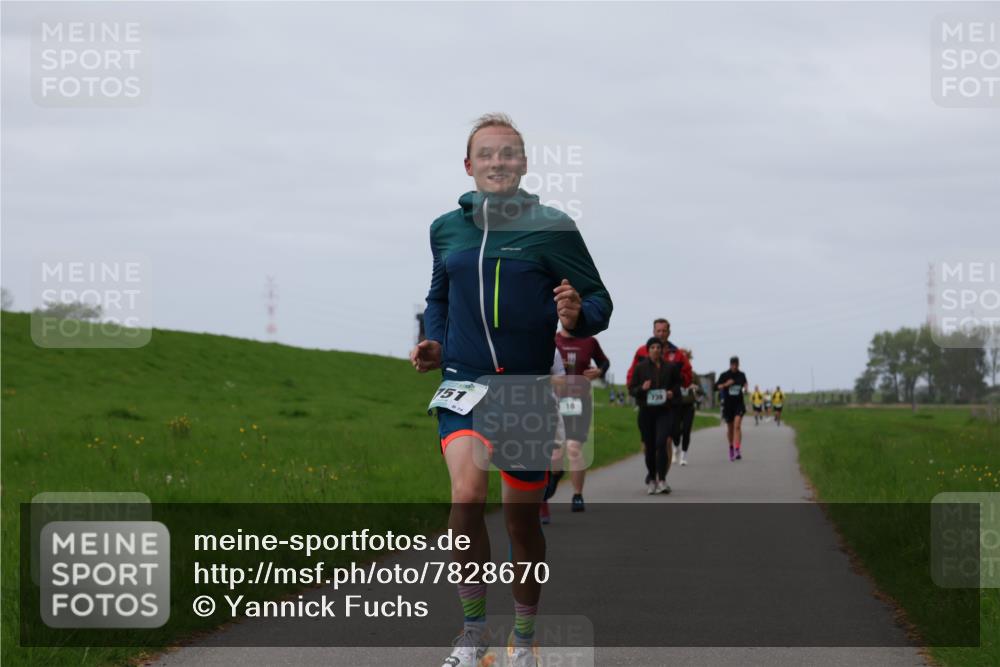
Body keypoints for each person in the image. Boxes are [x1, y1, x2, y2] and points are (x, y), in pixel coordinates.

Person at [411, 113, 612, 667]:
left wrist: (574, 318)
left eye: (509, 153)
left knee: (522, 522)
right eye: (487, 154)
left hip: (524, 391)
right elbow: (439, 299)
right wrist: (432, 342)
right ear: (469, 165)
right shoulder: (445, 229)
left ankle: (523, 638)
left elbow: (599, 302)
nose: (497, 162)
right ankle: (472, 633)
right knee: (466, 496)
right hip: (464, 385)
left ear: (523, 165)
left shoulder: (552, 227)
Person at [548, 329, 610, 512]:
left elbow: (604, 362)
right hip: (555, 402)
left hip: (579, 402)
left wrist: (599, 371)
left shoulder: (589, 341)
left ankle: (577, 495)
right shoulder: (553, 340)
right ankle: (556, 474)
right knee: (555, 453)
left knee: (574, 449)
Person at [626, 318, 692, 462]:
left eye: (664, 331)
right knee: (648, 442)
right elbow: (631, 377)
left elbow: (687, 377)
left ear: (669, 332)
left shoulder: (677, 354)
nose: (661, 334)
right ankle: (652, 470)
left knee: (665, 441)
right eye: (658, 331)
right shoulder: (642, 351)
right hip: (647, 405)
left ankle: (662, 476)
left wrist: (675, 381)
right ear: (653, 332)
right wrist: (637, 388)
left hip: (668, 406)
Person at [628, 338, 682, 494]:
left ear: (663, 350)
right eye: (653, 347)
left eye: (659, 347)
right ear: (648, 350)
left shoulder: (670, 368)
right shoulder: (640, 368)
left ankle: (662, 480)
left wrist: (672, 392)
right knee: (650, 447)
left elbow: (678, 386)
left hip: (664, 411)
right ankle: (652, 479)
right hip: (647, 411)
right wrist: (642, 388)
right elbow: (632, 389)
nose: (656, 350)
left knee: (661, 443)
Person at [716, 356, 748, 461]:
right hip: (728, 405)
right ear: (730, 365)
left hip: (739, 404)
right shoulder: (725, 375)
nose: (734, 366)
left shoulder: (741, 375)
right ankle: (731, 447)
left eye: (736, 364)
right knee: (730, 428)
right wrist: (725, 384)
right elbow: (716, 387)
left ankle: (737, 449)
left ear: (738, 365)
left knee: (737, 426)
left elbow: (745, 383)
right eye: (732, 364)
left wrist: (746, 387)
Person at [674, 349, 702, 466]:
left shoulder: (693, 375)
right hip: (675, 405)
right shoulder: (673, 373)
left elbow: (701, 390)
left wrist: (695, 387)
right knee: (675, 431)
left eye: (686, 359)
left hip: (689, 406)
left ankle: (684, 455)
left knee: (686, 431)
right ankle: (676, 448)